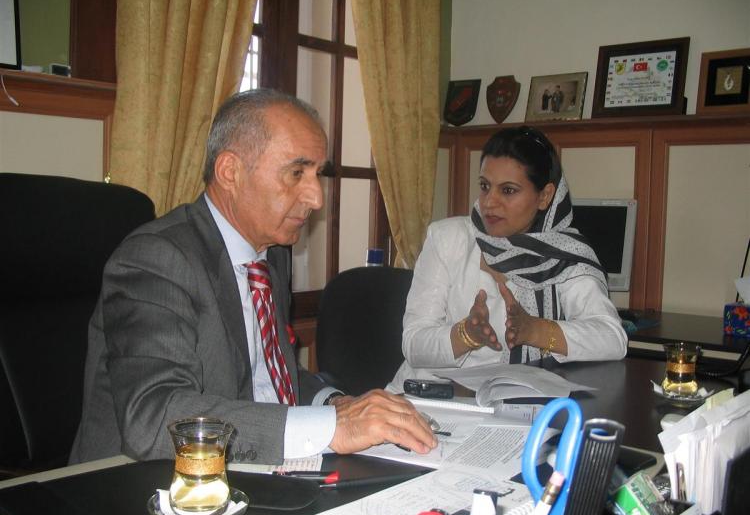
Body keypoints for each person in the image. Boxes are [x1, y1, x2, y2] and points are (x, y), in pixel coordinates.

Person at [69, 89, 436, 465]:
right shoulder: (157, 258)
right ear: (230, 171)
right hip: (140, 488)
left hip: (253, 472)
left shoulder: (270, 257)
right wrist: (331, 427)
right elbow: (154, 416)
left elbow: (267, 375)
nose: (316, 198)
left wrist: (336, 403)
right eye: (296, 172)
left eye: (317, 174)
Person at [387, 126, 627, 392]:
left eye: (508, 190)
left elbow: (612, 338)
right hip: (430, 398)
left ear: (545, 196)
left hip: (516, 408)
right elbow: (413, 343)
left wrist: (536, 331)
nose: (490, 202)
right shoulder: (448, 239)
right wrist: (465, 334)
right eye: (485, 187)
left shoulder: (565, 255)